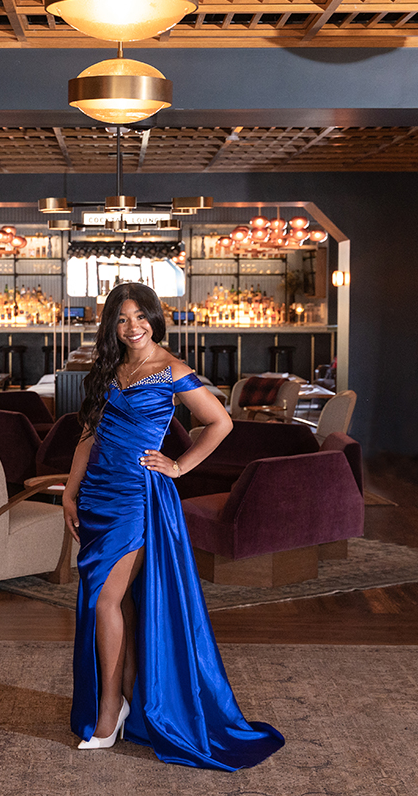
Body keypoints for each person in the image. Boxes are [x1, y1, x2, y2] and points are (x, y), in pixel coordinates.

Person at [62, 282, 285, 770]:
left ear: (155, 318)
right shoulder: (109, 369)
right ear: (111, 327)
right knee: (118, 603)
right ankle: (128, 701)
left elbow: (220, 423)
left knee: (106, 601)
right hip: (98, 496)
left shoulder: (172, 370)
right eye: (121, 319)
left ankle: (110, 712)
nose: (132, 327)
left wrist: (181, 468)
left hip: (139, 498)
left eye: (140, 316)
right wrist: (70, 491)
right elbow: (87, 435)